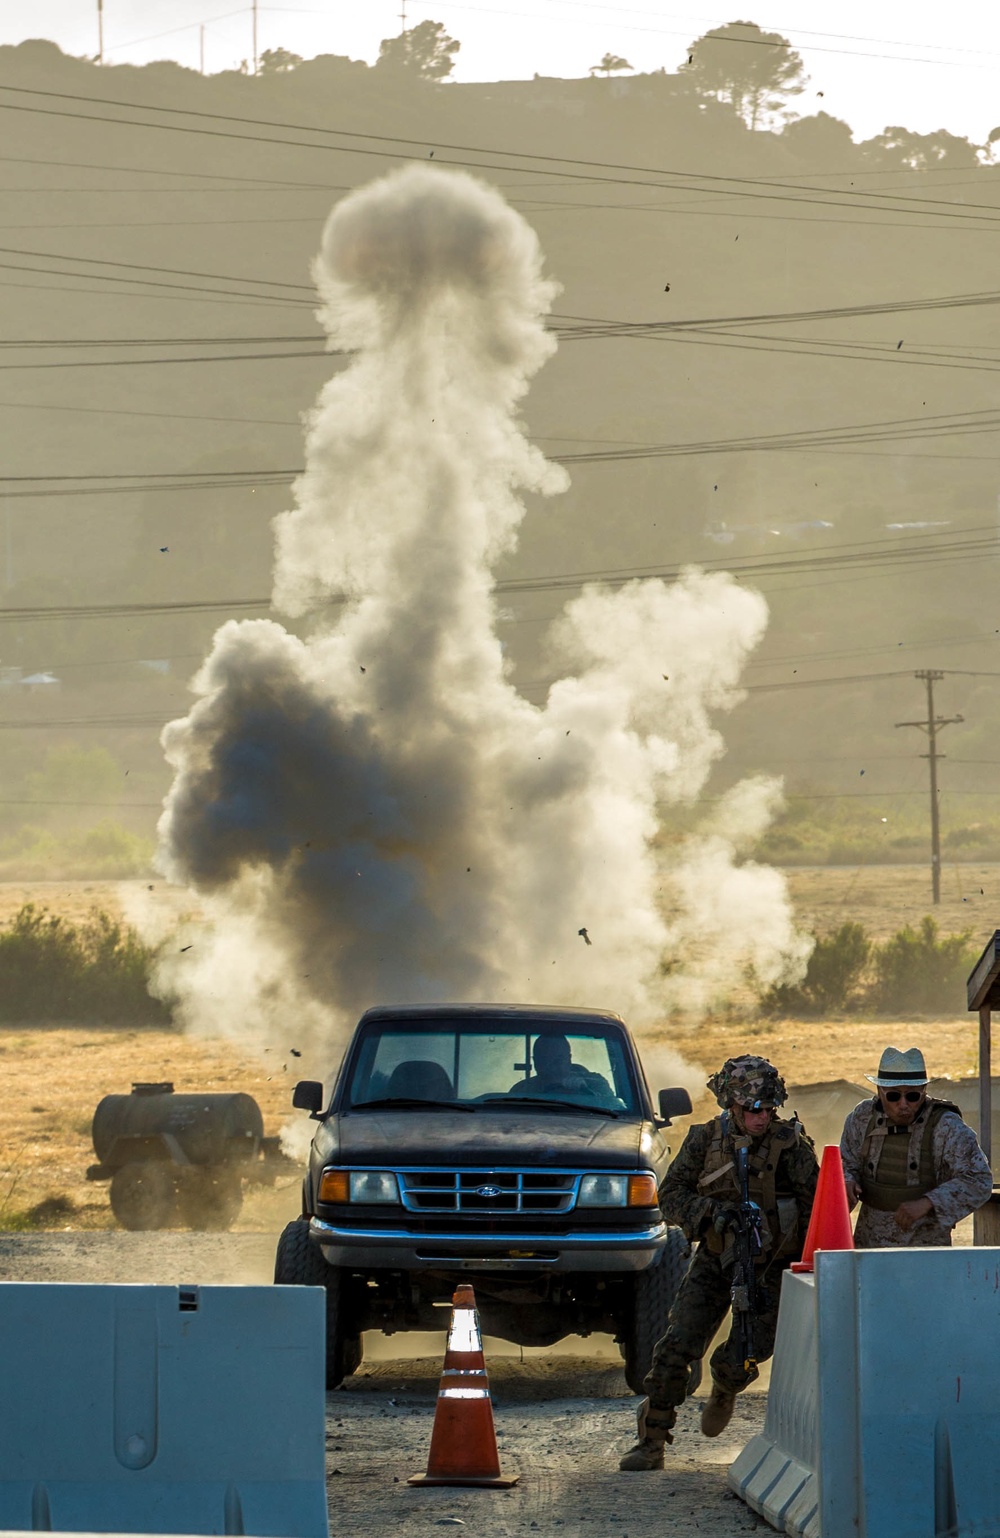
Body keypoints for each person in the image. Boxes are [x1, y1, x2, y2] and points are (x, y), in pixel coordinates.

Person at [619, 1054, 818, 1472]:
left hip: (771, 1264)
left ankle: (726, 1383)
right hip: (716, 1256)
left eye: (768, 1109)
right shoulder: (704, 1140)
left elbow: (815, 1209)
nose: (762, 1118)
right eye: (753, 1109)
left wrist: (809, 1267)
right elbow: (669, 1195)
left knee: (752, 1347)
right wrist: (712, 1212)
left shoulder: (792, 1147)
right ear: (732, 1105)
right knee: (678, 1345)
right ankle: (653, 1437)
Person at [840, 1046, 991, 1248]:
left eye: (912, 1096)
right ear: (879, 1092)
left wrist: (929, 1202)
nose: (903, 1104)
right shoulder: (862, 1117)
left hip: (926, 1247)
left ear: (924, 1092)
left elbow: (979, 1179)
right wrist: (847, 1180)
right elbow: (845, 1161)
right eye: (894, 1096)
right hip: (870, 1245)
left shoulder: (945, 1126)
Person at [510, 1034, 620, 1107]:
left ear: (569, 1059)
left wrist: (586, 1093)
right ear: (536, 1063)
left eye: (559, 1060)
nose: (552, 1067)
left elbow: (616, 1110)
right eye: (545, 1060)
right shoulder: (521, 1091)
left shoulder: (594, 1083)